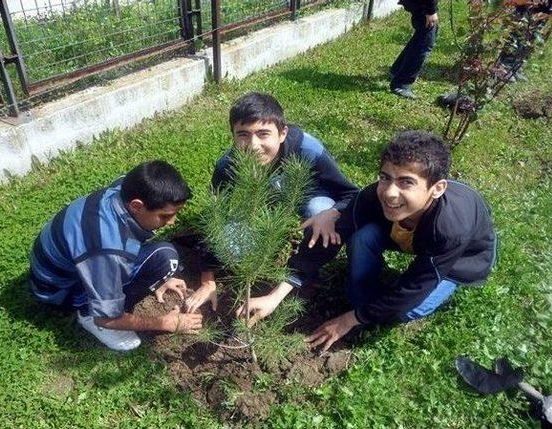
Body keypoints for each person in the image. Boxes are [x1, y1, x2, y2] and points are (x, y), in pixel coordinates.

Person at [306, 131, 497, 352]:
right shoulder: (379, 195)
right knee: (362, 239)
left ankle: (370, 311)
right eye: (385, 177)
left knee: (408, 309)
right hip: (416, 232)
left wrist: (349, 320)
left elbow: (415, 288)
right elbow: (343, 223)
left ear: (437, 188)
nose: (389, 193)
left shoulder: (451, 230)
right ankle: (363, 301)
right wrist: (289, 282)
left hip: (463, 258)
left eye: (406, 182)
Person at [184, 92, 359, 324]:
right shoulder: (228, 165)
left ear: (282, 133)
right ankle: (274, 247)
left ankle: (304, 275)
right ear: (233, 136)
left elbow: (351, 193)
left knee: (319, 210)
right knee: (231, 245)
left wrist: (332, 213)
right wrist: (208, 279)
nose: (253, 145)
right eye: (243, 135)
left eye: (263, 134)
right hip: (264, 209)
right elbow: (215, 215)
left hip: (309, 199)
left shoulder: (308, 150)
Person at [29, 160, 204, 351]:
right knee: (165, 257)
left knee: (161, 260)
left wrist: (160, 278)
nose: (172, 222)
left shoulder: (123, 188)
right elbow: (107, 319)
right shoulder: (106, 249)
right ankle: (87, 313)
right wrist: (166, 323)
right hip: (60, 293)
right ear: (137, 206)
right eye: (164, 216)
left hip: (64, 268)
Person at [389, 0, 439, 99]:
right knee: (425, 39)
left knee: (426, 33)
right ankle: (401, 83)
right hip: (422, 4)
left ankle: (396, 70)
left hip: (422, 4)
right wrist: (430, 10)